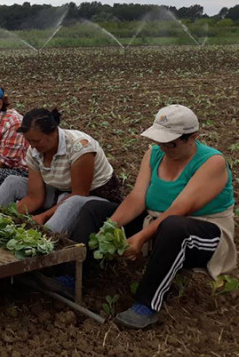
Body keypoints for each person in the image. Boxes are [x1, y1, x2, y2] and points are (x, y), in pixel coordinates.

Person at [65, 105, 235, 329]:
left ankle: (147, 304)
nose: (163, 147)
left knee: (174, 228)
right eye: (160, 140)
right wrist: (109, 227)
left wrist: (141, 237)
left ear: (192, 137)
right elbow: (137, 199)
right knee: (94, 210)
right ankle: (71, 277)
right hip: (157, 221)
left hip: (204, 232)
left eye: (170, 142)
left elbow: (179, 209)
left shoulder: (212, 162)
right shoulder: (154, 154)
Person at [0, 108, 120, 234]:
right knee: (13, 182)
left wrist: (43, 217)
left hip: (93, 198)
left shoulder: (80, 147)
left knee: (69, 205)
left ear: (53, 132)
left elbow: (79, 194)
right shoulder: (34, 152)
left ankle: (44, 240)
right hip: (60, 192)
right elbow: (35, 197)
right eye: (29, 141)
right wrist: (10, 217)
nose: (32, 145)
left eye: (37, 140)